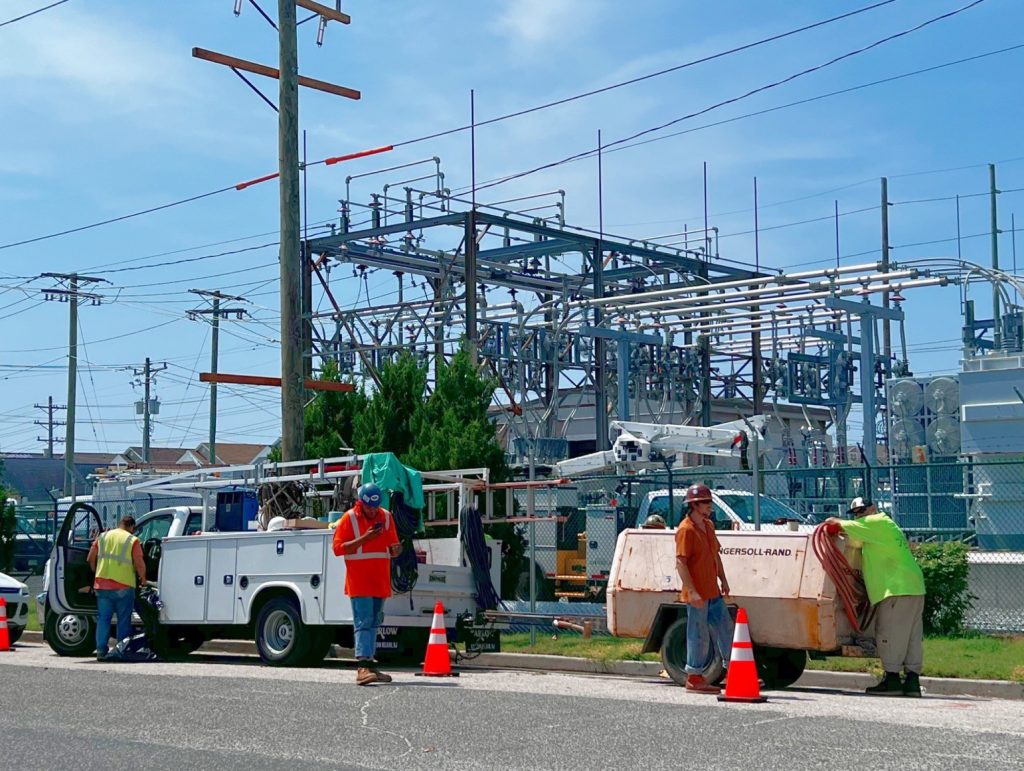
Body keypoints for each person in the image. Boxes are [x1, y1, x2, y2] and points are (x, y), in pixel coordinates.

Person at [826, 497, 926, 697]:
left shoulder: (875, 522)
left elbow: (834, 524)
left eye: (862, 511)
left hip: (894, 588)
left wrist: (830, 522)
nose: (859, 516)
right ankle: (912, 681)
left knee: (889, 632)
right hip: (913, 586)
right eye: (856, 513)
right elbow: (854, 538)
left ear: (872, 508)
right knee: (911, 636)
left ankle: (892, 680)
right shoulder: (883, 526)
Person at [332, 483, 402, 686]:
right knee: (363, 622)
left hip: (379, 581)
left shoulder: (386, 517)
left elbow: (392, 546)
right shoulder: (349, 518)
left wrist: (396, 550)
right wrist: (366, 538)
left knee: (374, 622)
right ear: (360, 502)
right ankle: (362, 666)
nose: (372, 511)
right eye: (368, 507)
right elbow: (337, 549)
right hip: (360, 581)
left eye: (375, 507)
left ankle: (370, 665)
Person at [675, 483, 733, 694]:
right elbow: (681, 563)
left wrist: (723, 580)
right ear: (694, 505)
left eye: (710, 502)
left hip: (712, 591)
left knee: (726, 628)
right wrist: (691, 591)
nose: (710, 506)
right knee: (698, 634)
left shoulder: (708, 526)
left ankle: (733, 672)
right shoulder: (685, 530)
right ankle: (694, 677)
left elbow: (715, 555)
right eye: (706, 503)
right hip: (697, 594)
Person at [87, 515, 147, 661]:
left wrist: (97, 572)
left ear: (120, 524)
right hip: (124, 586)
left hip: (102, 585)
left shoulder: (103, 536)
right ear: (131, 527)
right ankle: (121, 650)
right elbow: (139, 562)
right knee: (123, 620)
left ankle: (101, 651)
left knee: (103, 619)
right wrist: (143, 579)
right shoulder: (132, 540)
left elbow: (90, 558)